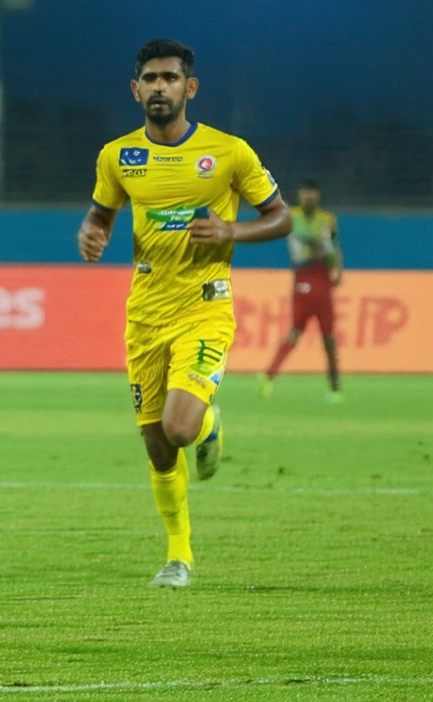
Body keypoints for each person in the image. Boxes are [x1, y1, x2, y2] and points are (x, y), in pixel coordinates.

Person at [77, 38, 291, 589]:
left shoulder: (229, 153)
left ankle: (206, 422)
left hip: (204, 306)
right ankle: (178, 556)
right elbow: (102, 213)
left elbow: (281, 218)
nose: (159, 87)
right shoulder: (117, 156)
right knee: (156, 444)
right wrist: (93, 232)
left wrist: (231, 230)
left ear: (189, 87)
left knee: (179, 427)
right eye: (150, 78)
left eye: (170, 78)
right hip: (145, 313)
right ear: (135, 89)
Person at [259, 180, 344, 402]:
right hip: (303, 277)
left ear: (317, 195)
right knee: (295, 331)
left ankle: (335, 386)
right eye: (305, 193)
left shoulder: (327, 220)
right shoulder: (291, 217)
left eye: (312, 193)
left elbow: (335, 247)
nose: (309, 197)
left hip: (323, 277)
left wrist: (338, 270)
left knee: (329, 337)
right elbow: (305, 243)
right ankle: (269, 376)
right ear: (300, 195)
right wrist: (319, 245)